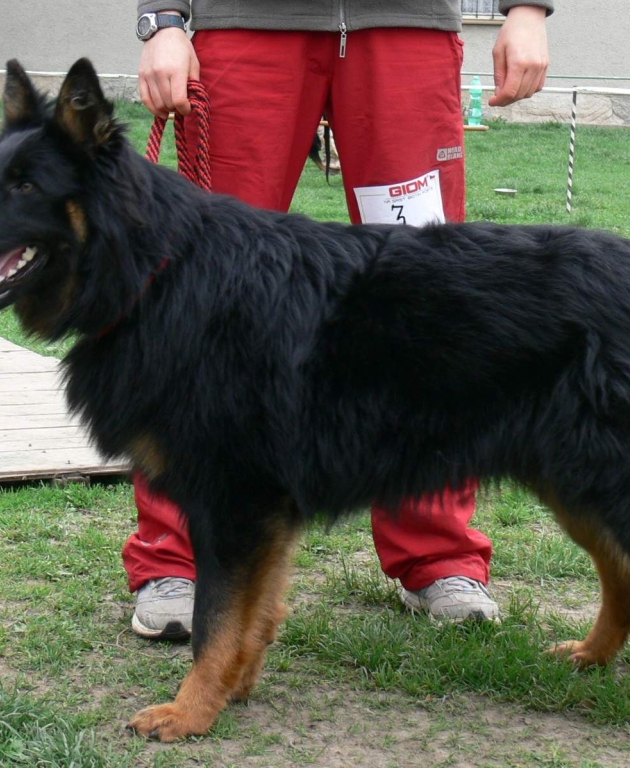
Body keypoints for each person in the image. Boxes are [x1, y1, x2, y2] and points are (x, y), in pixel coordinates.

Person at [127, 0, 552, 640]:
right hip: (246, 27)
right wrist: (163, 20)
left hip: (404, 27)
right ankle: (177, 559)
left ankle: (438, 554)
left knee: (425, 305)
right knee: (203, 302)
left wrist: (527, 9)